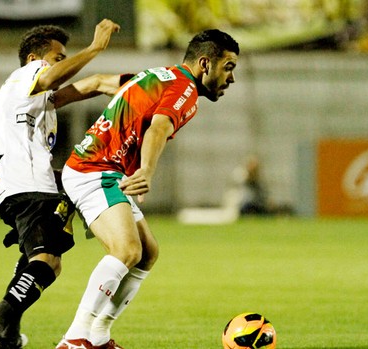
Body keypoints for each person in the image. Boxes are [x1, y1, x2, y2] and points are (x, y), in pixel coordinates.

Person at [56, 29, 240, 349]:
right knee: (127, 251)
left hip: (103, 168)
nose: (232, 78)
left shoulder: (157, 75)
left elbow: (98, 81)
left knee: (147, 254)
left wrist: (51, 99)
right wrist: (147, 171)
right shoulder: (184, 89)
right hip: (95, 168)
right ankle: (75, 338)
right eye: (229, 67)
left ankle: (98, 336)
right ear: (205, 63)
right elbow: (158, 126)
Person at [0, 19, 129, 349]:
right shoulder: (25, 76)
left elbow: (89, 85)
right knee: (48, 262)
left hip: (9, 185)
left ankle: (6, 334)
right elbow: (53, 77)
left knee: (38, 259)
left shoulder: (33, 101)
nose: (62, 63)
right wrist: (95, 48)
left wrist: (139, 84)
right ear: (34, 60)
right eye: (59, 57)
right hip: (22, 183)